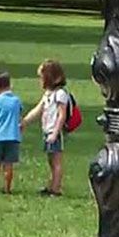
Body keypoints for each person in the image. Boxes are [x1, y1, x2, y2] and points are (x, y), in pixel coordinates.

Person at [22, 60, 70, 197]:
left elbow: (62, 115)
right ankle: (52, 185)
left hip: (55, 131)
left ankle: (56, 189)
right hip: (47, 130)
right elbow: (39, 109)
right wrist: (25, 122)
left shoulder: (60, 94)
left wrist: (55, 132)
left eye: (41, 77)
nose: (40, 81)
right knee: (51, 160)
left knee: (56, 160)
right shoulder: (48, 94)